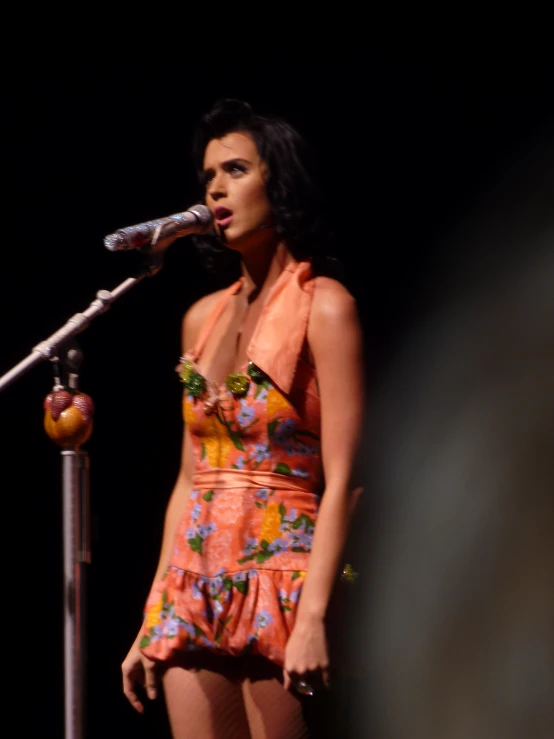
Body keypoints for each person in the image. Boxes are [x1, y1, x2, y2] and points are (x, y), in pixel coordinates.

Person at [121, 98, 365, 738]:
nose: (216, 189)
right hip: (194, 581)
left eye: (235, 170)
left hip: (284, 579)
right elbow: (187, 478)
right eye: (207, 177)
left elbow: (342, 478)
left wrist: (313, 616)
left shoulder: (325, 307)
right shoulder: (201, 318)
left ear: (277, 181)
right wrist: (154, 613)